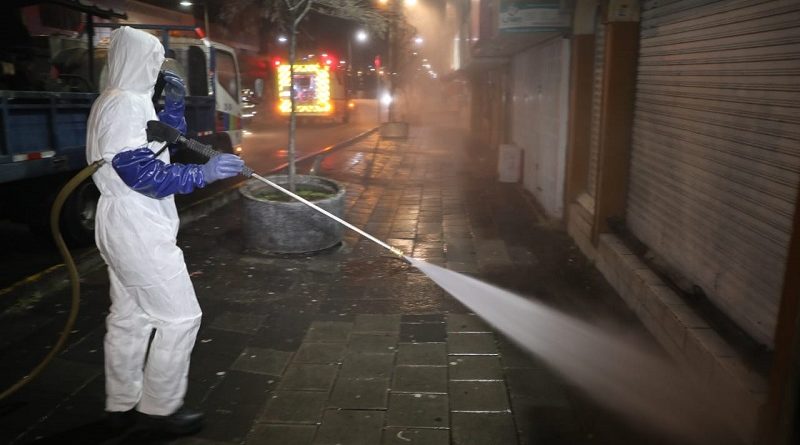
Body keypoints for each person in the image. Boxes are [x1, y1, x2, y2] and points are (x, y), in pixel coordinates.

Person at [85, 26, 243, 434]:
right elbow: (141, 172)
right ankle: (159, 410)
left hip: (126, 222)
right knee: (180, 317)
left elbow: (156, 145)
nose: (160, 67)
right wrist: (202, 172)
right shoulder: (121, 104)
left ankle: (121, 403)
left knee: (130, 317)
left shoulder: (125, 100)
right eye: (155, 60)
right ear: (137, 60)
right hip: (135, 224)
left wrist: (172, 109)